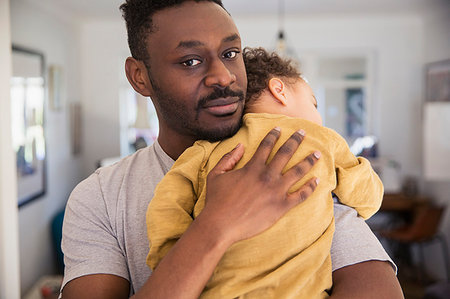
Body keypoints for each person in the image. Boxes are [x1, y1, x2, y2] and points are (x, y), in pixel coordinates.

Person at [61, 1, 403, 298]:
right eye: (191, 61)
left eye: (230, 53)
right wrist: (217, 224)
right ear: (140, 77)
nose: (223, 76)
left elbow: (380, 292)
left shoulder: (292, 160)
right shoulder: (100, 198)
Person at [146, 47, 384, 298]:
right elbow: (368, 200)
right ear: (279, 90)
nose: (318, 115)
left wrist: (170, 257)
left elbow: (166, 205)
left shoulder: (206, 149)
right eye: (313, 102)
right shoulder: (322, 139)